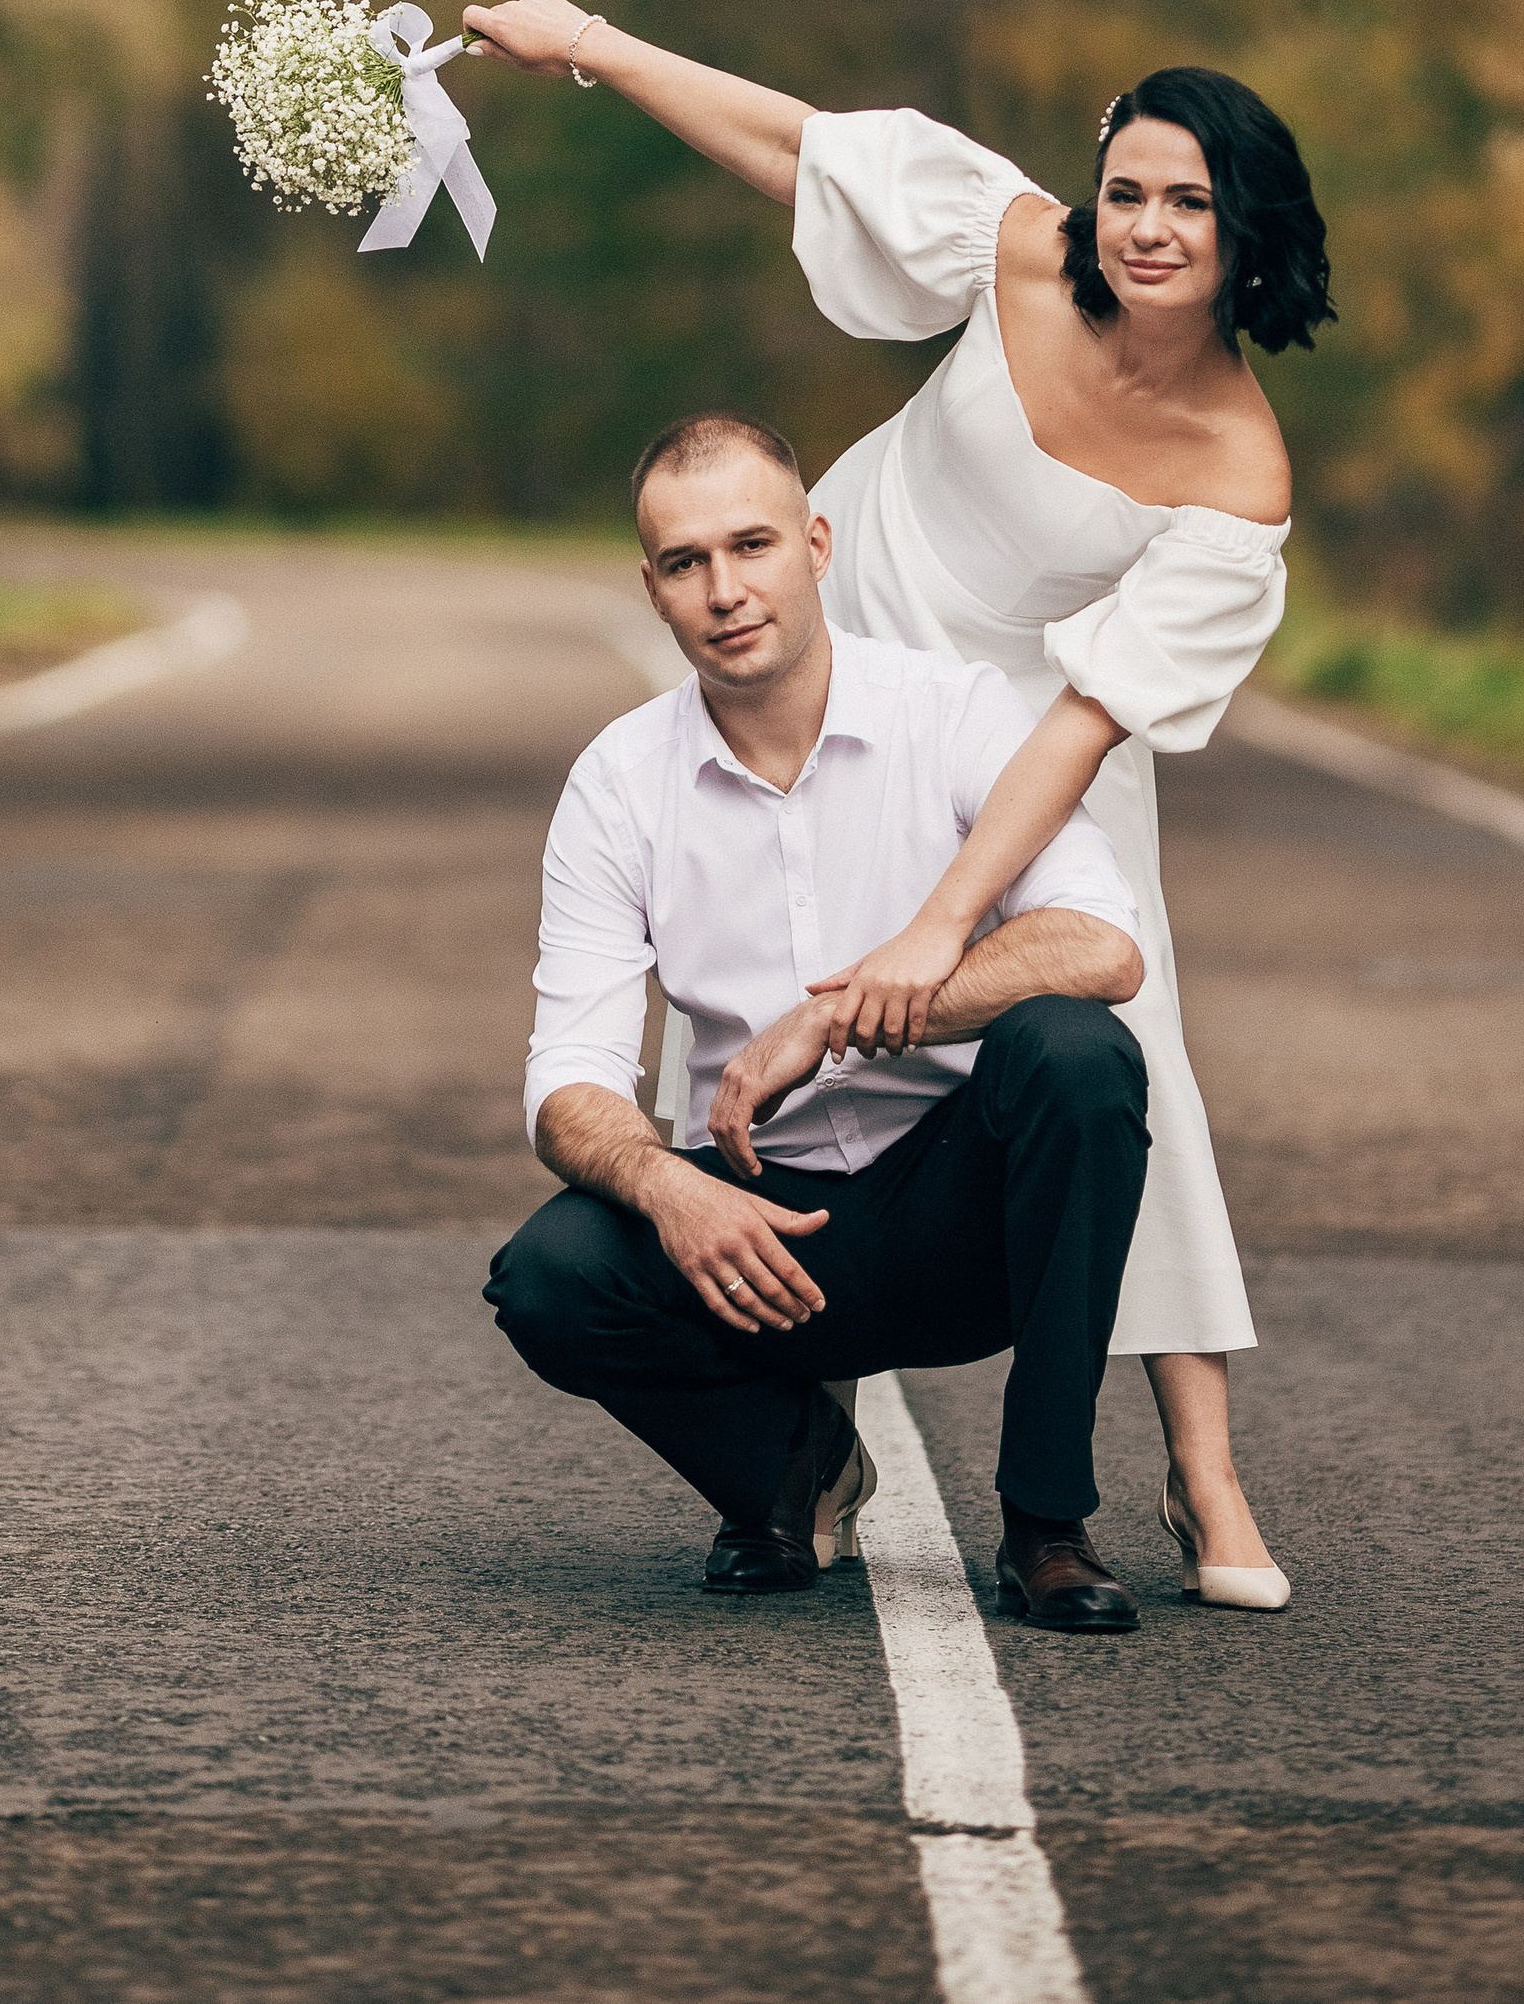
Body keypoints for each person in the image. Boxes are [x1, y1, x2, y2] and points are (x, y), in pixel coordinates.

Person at [465, 0, 1329, 1611]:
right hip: (822, 635)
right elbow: (798, 149)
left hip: (1025, 733)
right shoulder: (1015, 246)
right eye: (1126, 188)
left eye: (1188, 201)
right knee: (734, 1040)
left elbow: (1075, 720)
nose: (1143, 228)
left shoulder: (1239, 466)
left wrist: (929, 940)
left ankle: (1187, 1474)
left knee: (1118, 1058)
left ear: (1247, 230)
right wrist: (589, 42)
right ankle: (787, 1423)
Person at [490, 415, 1156, 1628]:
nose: (726, 589)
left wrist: (836, 1019)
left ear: (815, 543)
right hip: (761, 1230)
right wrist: (666, 1185)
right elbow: (566, 1078)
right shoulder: (619, 781)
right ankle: (794, 1468)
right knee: (550, 1273)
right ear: (652, 588)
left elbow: (1099, 944)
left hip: (966, 1213)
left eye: (752, 544)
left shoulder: (949, 712)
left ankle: (1047, 1524)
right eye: (685, 562)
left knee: (1075, 1055)